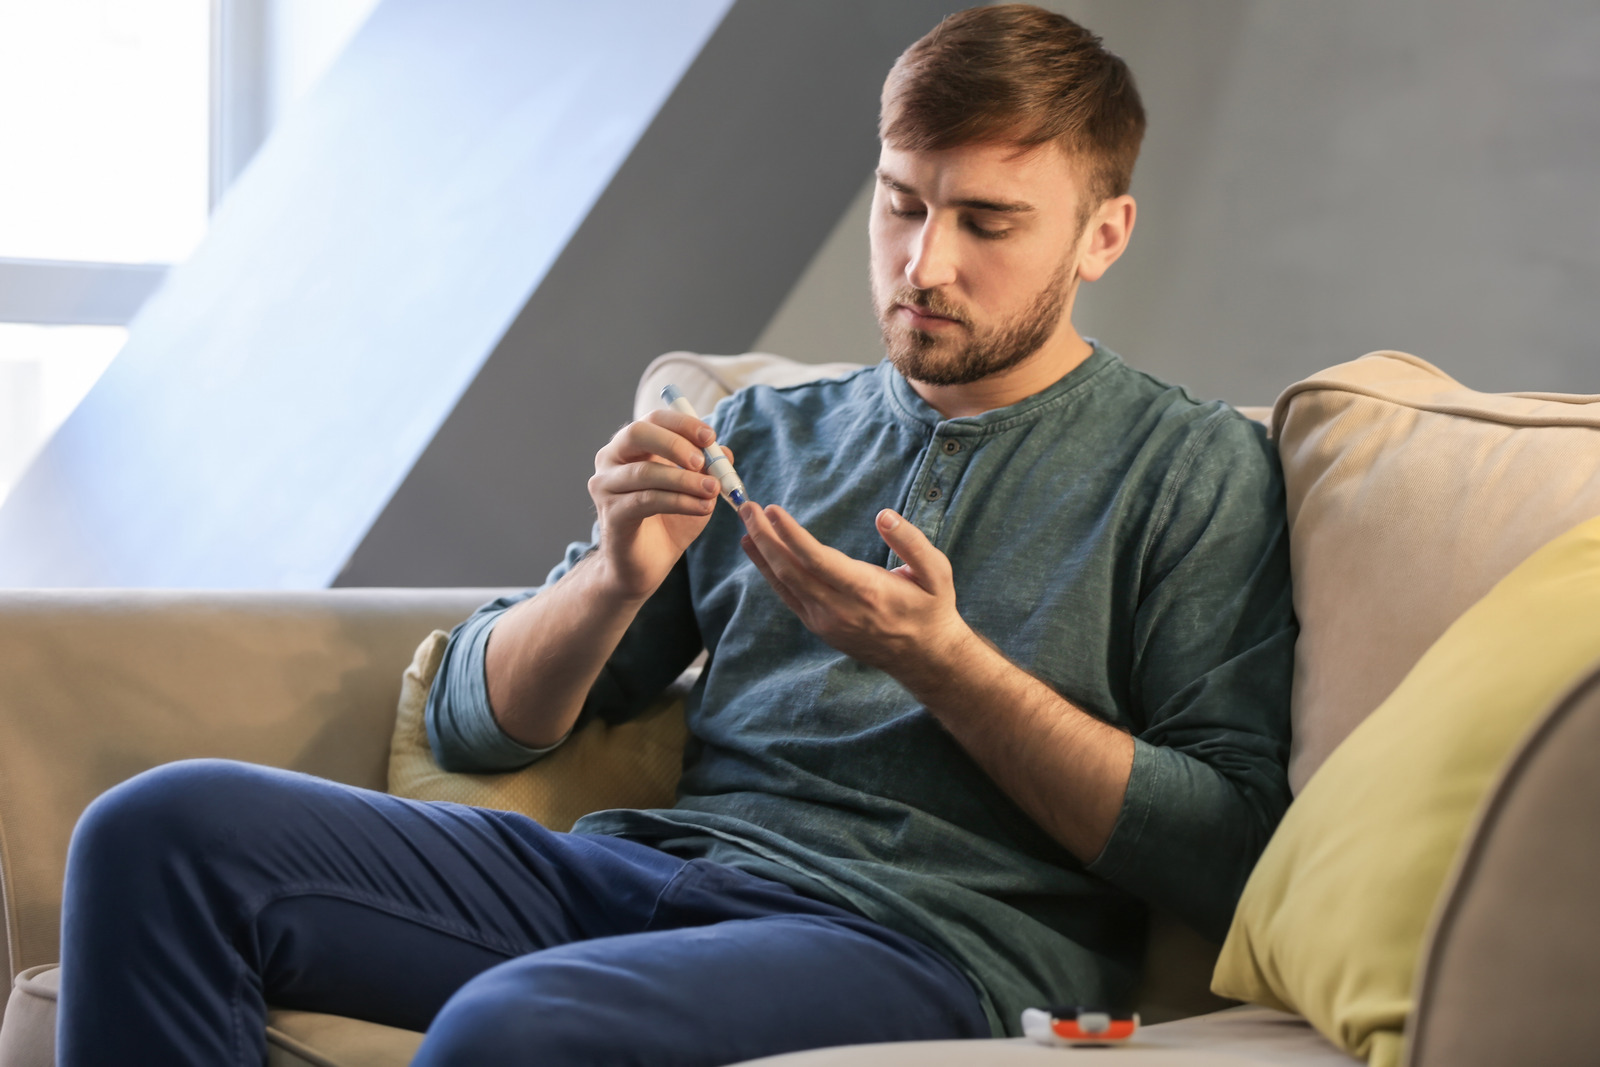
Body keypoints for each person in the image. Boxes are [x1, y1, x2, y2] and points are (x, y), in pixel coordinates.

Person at [57, 6, 1295, 1065]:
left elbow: (1227, 847)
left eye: (986, 221)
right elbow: (474, 726)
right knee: (159, 832)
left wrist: (944, 664)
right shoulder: (762, 428)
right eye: (902, 204)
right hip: (651, 876)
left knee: (517, 1027)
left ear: (1101, 234)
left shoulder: (1189, 471)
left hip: (923, 943)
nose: (924, 264)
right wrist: (608, 580)